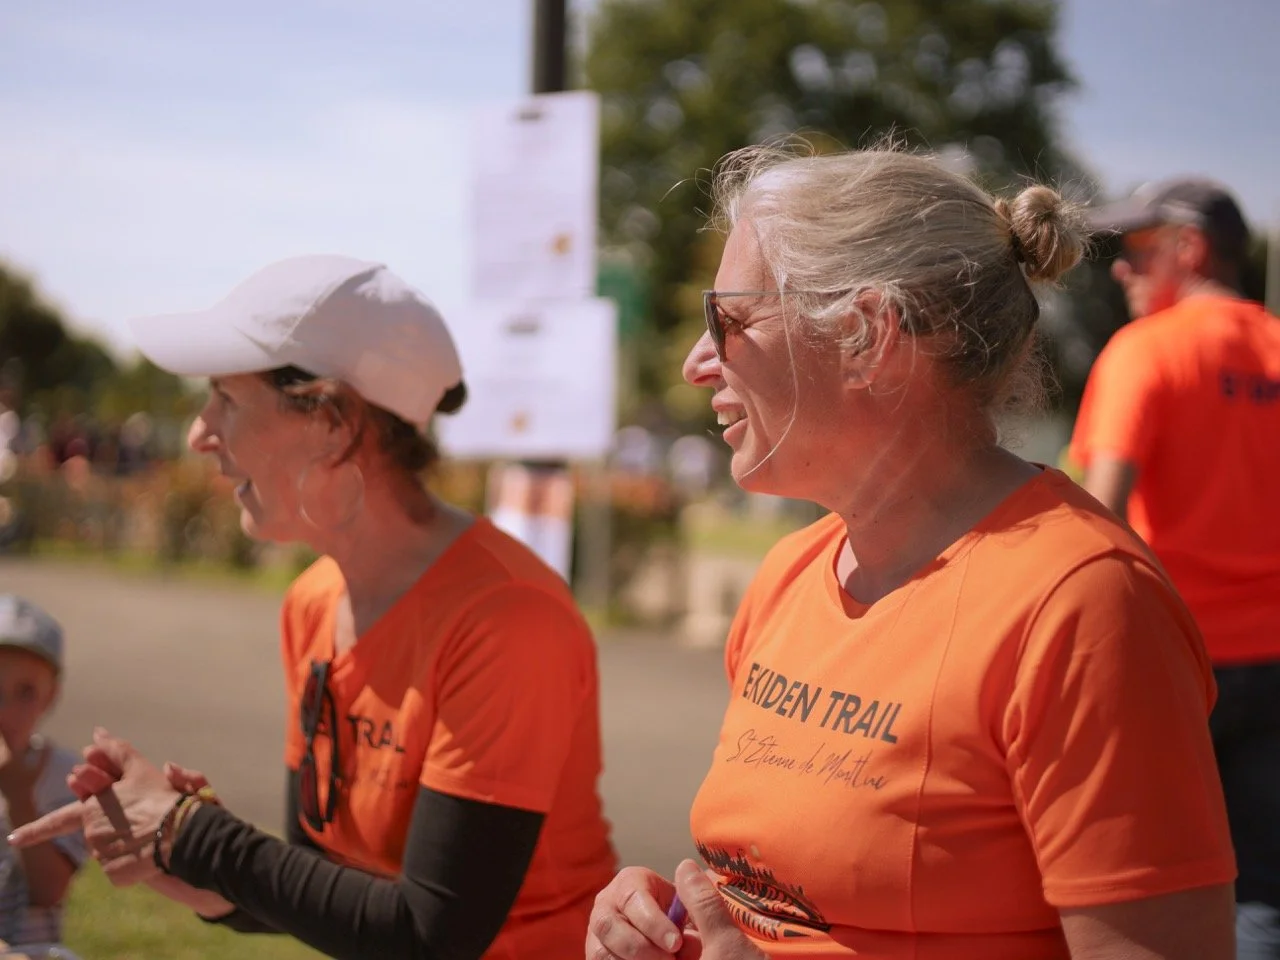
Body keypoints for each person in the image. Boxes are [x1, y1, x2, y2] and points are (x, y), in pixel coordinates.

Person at [585, 145, 1238, 960]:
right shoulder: (793, 572)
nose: (695, 362)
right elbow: (790, 886)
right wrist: (668, 917)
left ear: (868, 335)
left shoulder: (1083, 606)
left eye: (730, 319)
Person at [10, 255, 618, 959]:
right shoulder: (312, 602)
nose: (198, 434)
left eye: (226, 401)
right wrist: (179, 864)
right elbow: (330, 885)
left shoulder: (507, 617)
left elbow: (434, 933)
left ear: (332, 423)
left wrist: (195, 836)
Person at [1069, 177, 1280, 958]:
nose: (1120, 272)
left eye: (1134, 251)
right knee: (1262, 888)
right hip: (1275, 662)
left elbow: (1099, 526)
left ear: (1188, 249)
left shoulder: (1146, 350)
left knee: (1143, 894)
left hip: (1178, 668)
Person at [0, 596, 87, 949]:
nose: (5, 710)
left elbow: (48, 889)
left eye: (26, 692)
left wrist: (19, 798)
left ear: (50, 697)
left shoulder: (65, 776)